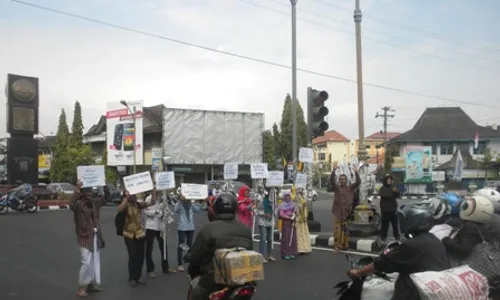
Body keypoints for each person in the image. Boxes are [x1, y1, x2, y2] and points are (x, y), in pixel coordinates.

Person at [348, 203, 450, 300]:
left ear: (411, 221)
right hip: (435, 291)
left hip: (416, 294)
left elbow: (380, 264)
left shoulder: (411, 245)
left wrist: (358, 272)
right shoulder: (435, 240)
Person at [188, 192, 254, 300]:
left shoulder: (208, 230)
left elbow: (196, 255)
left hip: (215, 279)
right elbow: (250, 249)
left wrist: (190, 257)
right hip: (242, 277)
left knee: (196, 288)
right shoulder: (245, 229)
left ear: (216, 208)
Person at [70, 180, 105, 297]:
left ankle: (90, 285)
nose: (91, 195)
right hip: (84, 237)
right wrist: (77, 189)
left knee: (94, 262)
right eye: (88, 193)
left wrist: (104, 186)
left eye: (91, 193)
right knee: (86, 262)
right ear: (84, 194)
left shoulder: (94, 203)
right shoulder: (79, 205)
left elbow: (105, 198)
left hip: (95, 236)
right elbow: (71, 203)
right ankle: (81, 287)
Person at [117, 188, 156, 286]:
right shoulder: (125, 205)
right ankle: (132, 278)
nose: (134, 197)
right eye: (132, 195)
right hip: (129, 234)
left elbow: (152, 202)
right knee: (132, 256)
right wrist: (126, 198)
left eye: (134, 195)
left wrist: (153, 191)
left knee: (140, 256)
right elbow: (119, 209)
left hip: (140, 233)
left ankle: (138, 277)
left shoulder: (138, 205)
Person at [329, 161, 360, 252]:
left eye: (344, 179)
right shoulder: (336, 188)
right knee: (337, 230)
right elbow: (331, 180)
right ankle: (337, 246)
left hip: (347, 212)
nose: (342, 180)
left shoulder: (350, 188)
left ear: (346, 180)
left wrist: (356, 172)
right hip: (338, 211)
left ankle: (345, 244)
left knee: (346, 229)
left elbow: (358, 182)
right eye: (341, 179)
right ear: (339, 180)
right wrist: (334, 170)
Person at [143, 191, 176, 278]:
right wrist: (156, 211)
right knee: (149, 249)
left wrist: (166, 213)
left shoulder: (162, 200)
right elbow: (146, 212)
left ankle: (165, 267)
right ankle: (150, 270)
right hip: (151, 227)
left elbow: (167, 211)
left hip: (161, 227)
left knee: (164, 248)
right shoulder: (149, 198)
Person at [174, 195, 202, 272]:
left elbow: (198, 210)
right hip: (182, 228)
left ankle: (191, 262)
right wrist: (180, 200)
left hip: (190, 227)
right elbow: (175, 210)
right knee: (181, 245)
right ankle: (179, 264)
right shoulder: (179, 205)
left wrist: (202, 202)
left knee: (190, 246)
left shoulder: (191, 204)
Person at [379, 174, 401, 242]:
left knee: (395, 225)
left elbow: (398, 195)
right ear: (385, 180)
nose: (389, 180)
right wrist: (393, 190)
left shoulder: (393, 187)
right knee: (385, 225)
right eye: (388, 179)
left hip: (393, 210)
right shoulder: (382, 188)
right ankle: (383, 237)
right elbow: (385, 195)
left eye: (390, 179)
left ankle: (397, 237)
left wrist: (397, 191)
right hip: (385, 211)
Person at [256, 187, 276, 262]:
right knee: (263, 239)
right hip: (263, 221)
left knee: (270, 239)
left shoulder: (273, 200)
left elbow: (276, 208)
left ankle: (269, 255)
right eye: (268, 190)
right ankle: (262, 256)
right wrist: (264, 214)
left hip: (270, 221)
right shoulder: (260, 199)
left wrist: (273, 212)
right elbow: (257, 210)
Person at [278, 191, 297, 260]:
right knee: (286, 237)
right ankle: (285, 253)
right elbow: (281, 214)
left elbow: (295, 211)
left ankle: (291, 252)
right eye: (286, 196)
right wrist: (288, 216)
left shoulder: (292, 204)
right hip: (286, 222)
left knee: (293, 237)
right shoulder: (282, 205)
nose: (288, 197)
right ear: (284, 197)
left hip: (292, 221)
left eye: (289, 196)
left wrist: (295, 213)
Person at [294, 187, 312, 254]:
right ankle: (299, 248)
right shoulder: (297, 196)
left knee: (304, 232)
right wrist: (302, 206)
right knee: (299, 232)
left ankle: (305, 247)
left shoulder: (303, 196)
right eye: (299, 189)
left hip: (303, 216)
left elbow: (305, 206)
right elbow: (296, 206)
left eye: (301, 189)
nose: (301, 190)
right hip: (299, 217)